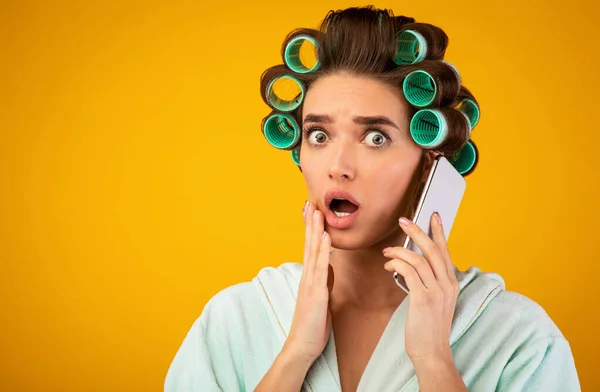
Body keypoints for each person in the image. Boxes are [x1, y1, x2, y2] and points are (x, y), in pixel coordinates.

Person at [164, 6, 580, 392]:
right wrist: (295, 355)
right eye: (319, 135)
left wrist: (434, 360)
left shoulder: (516, 337)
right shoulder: (234, 319)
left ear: (428, 163)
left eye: (375, 137)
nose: (339, 166)